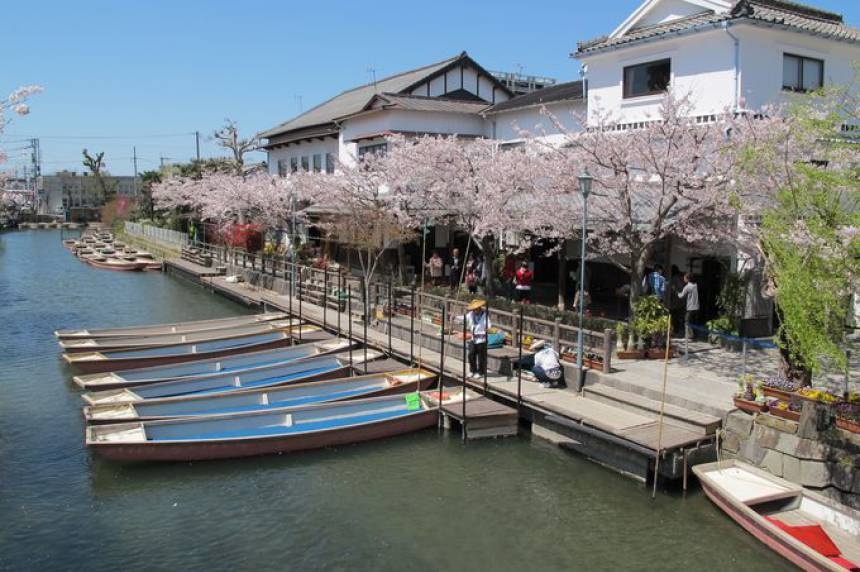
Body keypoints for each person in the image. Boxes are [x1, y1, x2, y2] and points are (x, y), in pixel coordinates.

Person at [466, 299, 491, 379]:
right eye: (474, 309)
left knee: (481, 357)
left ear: (479, 308)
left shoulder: (485, 315)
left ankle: (480, 372)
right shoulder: (470, 314)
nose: (475, 310)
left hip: (481, 339)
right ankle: (472, 370)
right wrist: (455, 318)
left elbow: (489, 325)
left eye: (476, 309)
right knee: (471, 354)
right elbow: (463, 319)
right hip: (473, 338)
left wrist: (487, 329)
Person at [678, 272, 700, 340]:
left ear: (687, 279)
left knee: (687, 322)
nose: (683, 279)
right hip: (697, 307)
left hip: (690, 307)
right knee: (694, 322)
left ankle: (689, 336)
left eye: (684, 277)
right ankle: (695, 336)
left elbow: (681, 296)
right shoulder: (696, 285)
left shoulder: (687, 287)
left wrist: (676, 292)